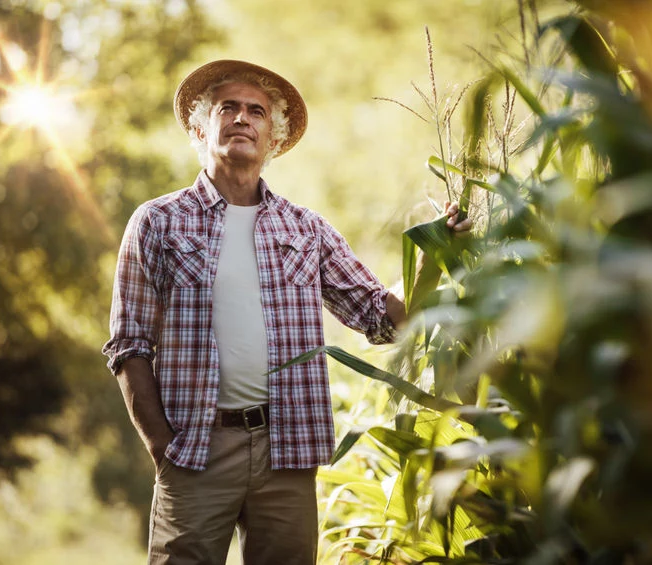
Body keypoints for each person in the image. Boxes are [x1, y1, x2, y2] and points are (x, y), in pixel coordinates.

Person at [102, 59, 471, 565]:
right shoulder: (157, 223)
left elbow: (383, 318)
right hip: (194, 450)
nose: (241, 118)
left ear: (272, 138)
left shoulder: (306, 229)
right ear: (199, 126)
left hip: (289, 450)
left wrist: (430, 258)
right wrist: (163, 448)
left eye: (256, 111)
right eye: (227, 107)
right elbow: (129, 345)